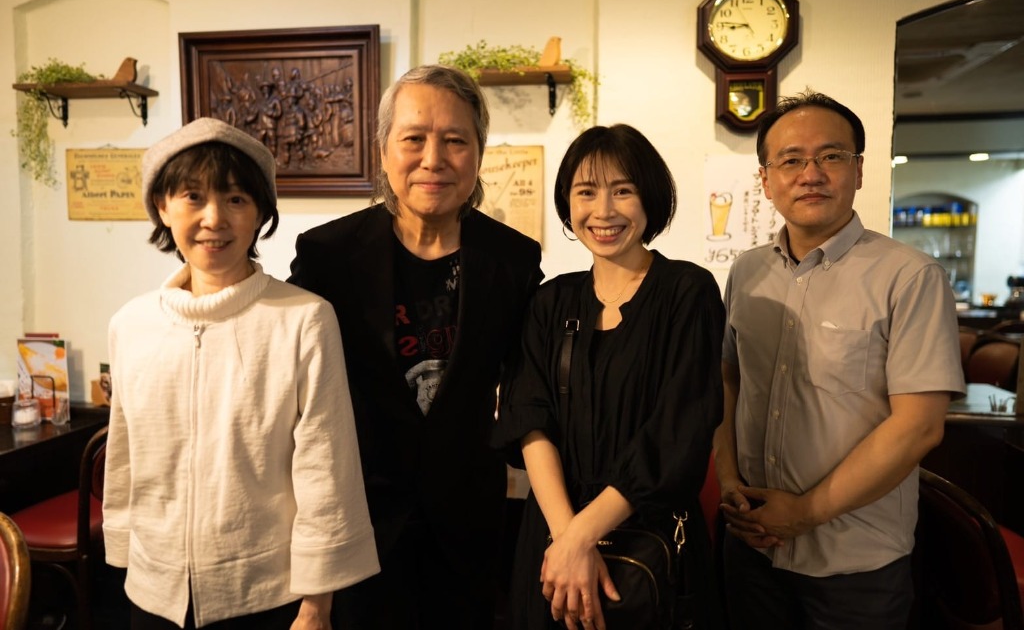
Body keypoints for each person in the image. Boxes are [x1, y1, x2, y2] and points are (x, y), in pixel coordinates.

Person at [288, 65, 543, 629]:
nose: (433, 159)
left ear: (478, 154)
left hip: (467, 524)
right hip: (359, 520)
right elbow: (284, 366)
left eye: (455, 140)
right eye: (413, 139)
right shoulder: (329, 256)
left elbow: (529, 387)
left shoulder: (513, 261)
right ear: (383, 151)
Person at [104, 117, 379, 630]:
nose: (214, 219)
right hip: (151, 589)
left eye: (235, 199)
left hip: (266, 594)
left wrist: (317, 605)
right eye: (193, 197)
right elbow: (124, 455)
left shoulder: (304, 319)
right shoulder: (131, 324)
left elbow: (326, 468)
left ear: (260, 214)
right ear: (162, 206)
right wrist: (122, 552)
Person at [713, 91, 966, 630]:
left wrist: (804, 513)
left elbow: (920, 427)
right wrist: (729, 480)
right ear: (765, 180)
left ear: (859, 170)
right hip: (751, 547)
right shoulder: (747, 271)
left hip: (856, 565)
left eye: (831, 156)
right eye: (791, 160)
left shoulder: (911, 277)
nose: (811, 174)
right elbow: (728, 379)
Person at [495, 124, 726, 630]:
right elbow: (528, 419)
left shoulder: (688, 292)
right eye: (586, 192)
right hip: (551, 538)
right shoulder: (550, 301)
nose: (603, 211)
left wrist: (582, 538)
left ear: (651, 198)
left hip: (651, 541)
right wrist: (567, 539)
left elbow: (679, 433)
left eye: (623, 190)